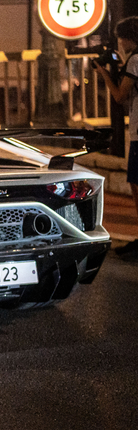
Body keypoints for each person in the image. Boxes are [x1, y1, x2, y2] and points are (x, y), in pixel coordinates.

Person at [94, 16, 138, 255]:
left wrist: (104, 73)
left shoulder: (135, 61)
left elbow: (120, 97)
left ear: (127, 38)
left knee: (136, 184)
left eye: (121, 38)